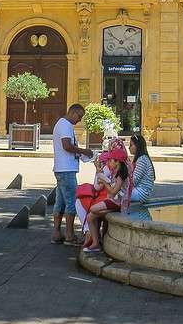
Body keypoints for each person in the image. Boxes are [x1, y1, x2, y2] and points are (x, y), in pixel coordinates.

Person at [52, 103, 94, 246]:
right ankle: (70, 236)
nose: (79, 120)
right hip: (66, 170)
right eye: (79, 117)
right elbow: (67, 146)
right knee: (71, 203)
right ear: (73, 113)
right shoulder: (65, 125)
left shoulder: (62, 124)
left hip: (61, 169)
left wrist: (79, 153)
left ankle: (57, 233)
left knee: (60, 202)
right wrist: (83, 151)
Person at [82, 146, 131, 253]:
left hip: (117, 202)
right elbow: (99, 186)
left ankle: (108, 213)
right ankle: (95, 243)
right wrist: (99, 173)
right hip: (111, 201)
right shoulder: (114, 172)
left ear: (117, 162)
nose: (108, 162)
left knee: (93, 209)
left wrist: (104, 182)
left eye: (110, 160)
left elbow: (113, 191)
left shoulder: (121, 175)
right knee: (90, 217)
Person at [127, 133, 156, 220]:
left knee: (117, 192)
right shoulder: (140, 159)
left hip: (141, 192)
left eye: (131, 145)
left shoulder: (142, 160)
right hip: (139, 191)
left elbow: (134, 181)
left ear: (138, 146)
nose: (129, 147)